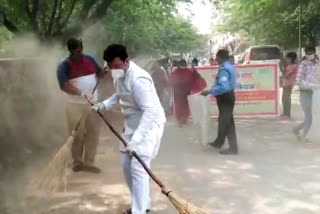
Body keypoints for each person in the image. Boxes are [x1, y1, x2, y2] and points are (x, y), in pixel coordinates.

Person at [92, 44, 166, 214]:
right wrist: (103, 105)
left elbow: (150, 111)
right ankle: (141, 204)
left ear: (126, 61)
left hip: (149, 125)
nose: (114, 70)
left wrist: (137, 140)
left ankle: (138, 211)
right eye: (110, 67)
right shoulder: (118, 75)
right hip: (131, 124)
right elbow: (119, 95)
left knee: (138, 167)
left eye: (117, 66)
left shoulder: (139, 80)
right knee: (126, 165)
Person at [57, 38, 102, 173]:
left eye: (81, 50)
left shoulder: (89, 59)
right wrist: (80, 93)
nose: (80, 53)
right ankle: (77, 161)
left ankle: (89, 162)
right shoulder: (64, 65)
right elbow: (64, 85)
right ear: (70, 51)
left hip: (93, 103)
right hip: (74, 105)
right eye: (77, 51)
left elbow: (99, 73)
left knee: (93, 132)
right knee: (78, 134)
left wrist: (104, 73)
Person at [201, 50, 238, 155]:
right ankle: (219, 142)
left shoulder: (224, 69)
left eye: (216, 58)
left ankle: (233, 148)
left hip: (225, 98)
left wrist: (210, 91)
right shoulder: (230, 66)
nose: (216, 60)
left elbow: (224, 87)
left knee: (227, 123)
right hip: (228, 97)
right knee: (223, 120)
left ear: (220, 58)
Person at [293, 46, 320, 142]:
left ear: (314, 52)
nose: (309, 54)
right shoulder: (303, 64)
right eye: (307, 52)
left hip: (316, 93)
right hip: (306, 93)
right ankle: (304, 137)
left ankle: (297, 130)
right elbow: (298, 80)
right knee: (309, 117)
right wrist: (313, 85)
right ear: (305, 53)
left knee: (314, 117)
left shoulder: (317, 64)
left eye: (311, 52)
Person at [169, 59, 206, 126]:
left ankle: (183, 119)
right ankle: (180, 119)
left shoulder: (188, 72)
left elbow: (196, 77)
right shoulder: (176, 72)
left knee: (185, 107)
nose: (183, 66)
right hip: (179, 93)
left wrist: (194, 71)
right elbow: (171, 81)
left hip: (185, 92)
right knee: (180, 107)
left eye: (184, 64)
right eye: (182, 64)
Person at [281, 52, 298, 119]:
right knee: (284, 98)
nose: (286, 59)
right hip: (287, 83)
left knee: (286, 98)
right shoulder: (291, 65)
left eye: (287, 58)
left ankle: (287, 114)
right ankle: (285, 113)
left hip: (289, 83)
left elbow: (286, 75)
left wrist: (282, 75)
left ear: (290, 58)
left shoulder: (293, 66)